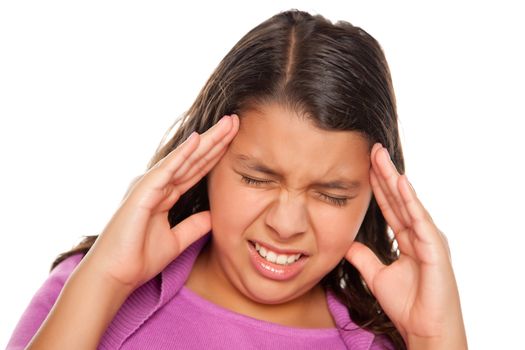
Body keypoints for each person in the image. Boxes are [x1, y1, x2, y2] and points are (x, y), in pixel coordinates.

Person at [7, 9, 467, 350]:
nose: (286, 225)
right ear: (205, 158)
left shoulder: (377, 344)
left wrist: (435, 338)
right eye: (256, 179)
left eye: (331, 194)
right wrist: (104, 278)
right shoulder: (91, 288)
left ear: (375, 197)